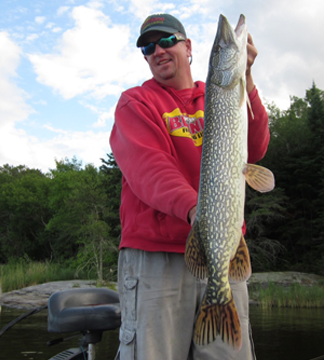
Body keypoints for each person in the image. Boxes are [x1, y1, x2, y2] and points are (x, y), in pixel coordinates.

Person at [110, 13, 270, 360]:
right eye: (148, 47)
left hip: (225, 253)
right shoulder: (136, 103)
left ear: (188, 47)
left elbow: (255, 149)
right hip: (157, 258)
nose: (158, 50)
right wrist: (201, 211)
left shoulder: (218, 94)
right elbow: (149, 169)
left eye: (167, 40)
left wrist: (248, 77)